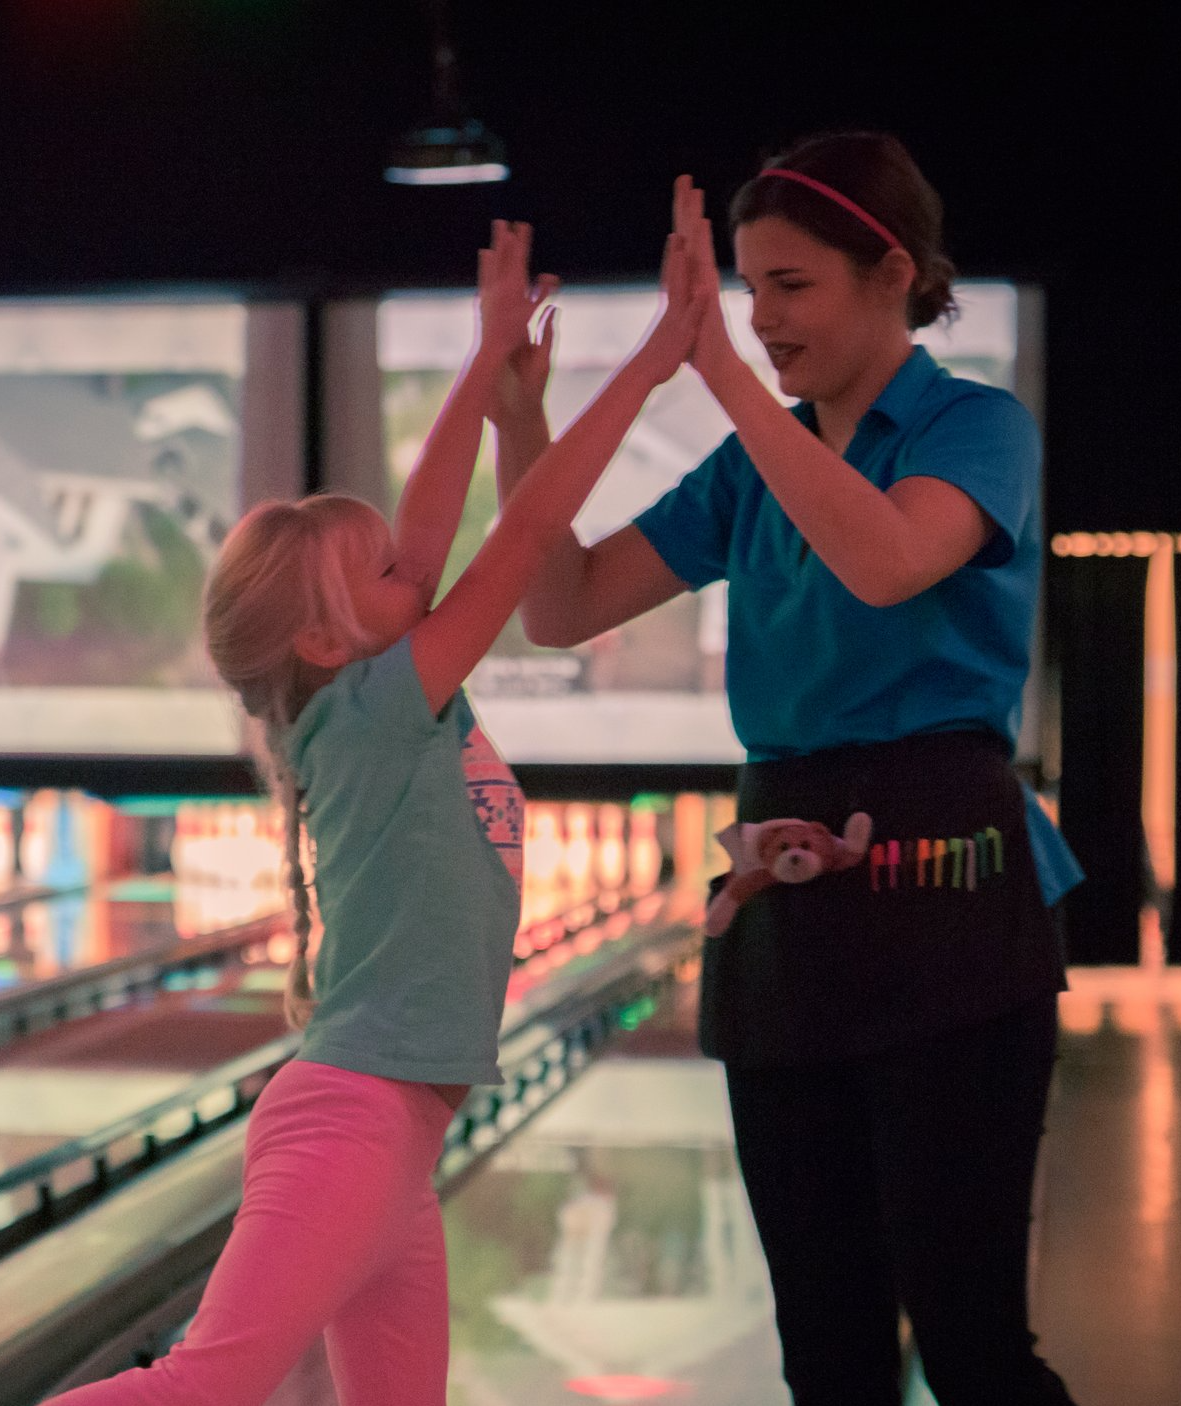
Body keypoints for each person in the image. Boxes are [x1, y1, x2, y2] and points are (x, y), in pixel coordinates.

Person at [46, 218, 705, 1406]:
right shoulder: (376, 708)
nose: (420, 567)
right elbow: (519, 530)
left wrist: (485, 354)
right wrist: (653, 360)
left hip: (389, 1139)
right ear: (322, 636)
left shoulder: (372, 699)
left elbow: (439, 518)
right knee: (204, 1384)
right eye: (390, 574)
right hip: (351, 1124)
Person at [493, 139, 1083, 1405]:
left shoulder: (977, 425)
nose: (758, 322)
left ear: (891, 272)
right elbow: (561, 601)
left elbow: (884, 559)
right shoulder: (750, 465)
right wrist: (517, 416)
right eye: (744, 291)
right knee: (824, 1346)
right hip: (784, 904)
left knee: (973, 1342)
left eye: (788, 287)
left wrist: (720, 381)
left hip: (950, 887)